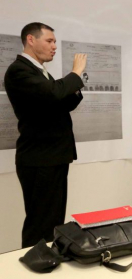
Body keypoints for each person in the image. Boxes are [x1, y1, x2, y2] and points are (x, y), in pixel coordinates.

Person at [4, 22, 87, 248]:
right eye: (49, 41)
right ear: (31, 40)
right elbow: (52, 94)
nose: (54, 47)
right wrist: (75, 73)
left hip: (53, 156)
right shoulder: (19, 70)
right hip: (39, 159)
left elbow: (59, 103)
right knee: (40, 223)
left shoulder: (40, 72)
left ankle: (48, 260)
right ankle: (35, 263)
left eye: (54, 42)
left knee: (52, 221)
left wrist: (77, 85)